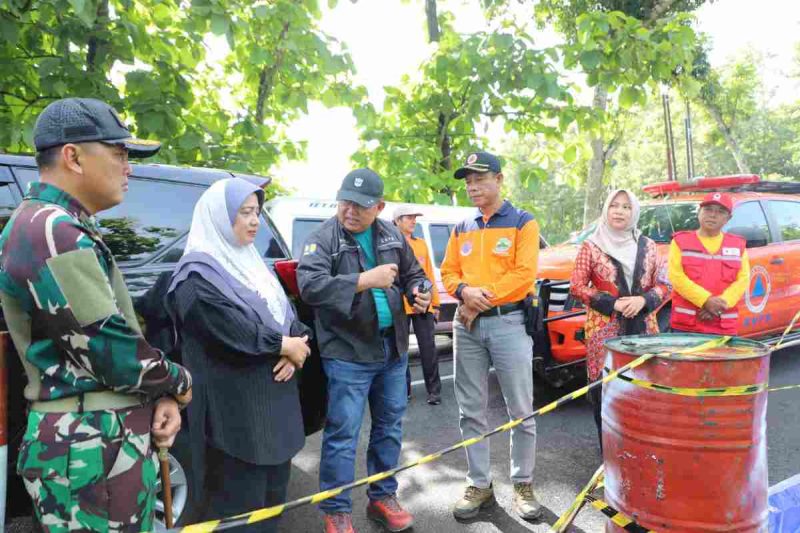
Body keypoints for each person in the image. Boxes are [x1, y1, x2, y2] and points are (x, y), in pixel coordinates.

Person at [0, 97, 192, 532]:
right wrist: (179, 383)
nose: (129, 168)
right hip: (88, 445)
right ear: (73, 157)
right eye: (119, 154)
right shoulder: (51, 230)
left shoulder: (57, 224)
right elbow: (111, 351)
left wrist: (159, 395)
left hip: (98, 440)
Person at [165, 177, 312, 532]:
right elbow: (229, 331)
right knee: (238, 511)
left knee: (272, 507)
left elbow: (290, 318)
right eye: (245, 212)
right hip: (236, 422)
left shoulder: (252, 264)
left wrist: (297, 346)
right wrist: (283, 345)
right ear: (219, 216)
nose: (254, 221)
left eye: (257, 212)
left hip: (275, 413)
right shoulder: (196, 275)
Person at [297, 169, 431, 533]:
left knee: (389, 428)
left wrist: (420, 291)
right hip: (348, 352)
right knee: (343, 435)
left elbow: (414, 274)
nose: (350, 211)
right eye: (345, 202)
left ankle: (382, 497)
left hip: (392, 349)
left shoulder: (391, 234)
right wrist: (362, 280)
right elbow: (309, 286)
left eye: (360, 205)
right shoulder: (323, 238)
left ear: (380, 207)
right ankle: (337, 511)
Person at [439, 151, 542, 521]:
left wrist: (478, 301)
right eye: (468, 181)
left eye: (480, 179)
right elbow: (448, 272)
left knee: (521, 411)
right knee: (470, 411)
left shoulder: (523, 222)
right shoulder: (461, 227)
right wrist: (464, 292)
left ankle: (523, 484)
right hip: (466, 327)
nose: (472, 187)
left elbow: (523, 275)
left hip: (508, 323)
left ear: (499, 180)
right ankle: (479, 484)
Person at [569, 189, 668, 447]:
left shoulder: (649, 246)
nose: (619, 211)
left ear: (634, 212)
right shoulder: (591, 246)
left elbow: (665, 285)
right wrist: (613, 303)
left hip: (644, 330)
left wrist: (643, 301)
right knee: (605, 392)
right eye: (614, 205)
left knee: (644, 389)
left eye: (626, 207)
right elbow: (576, 287)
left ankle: (643, 451)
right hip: (604, 331)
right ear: (606, 209)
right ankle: (610, 455)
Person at [668, 191, 749, 334]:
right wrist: (705, 300)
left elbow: (743, 280)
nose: (712, 215)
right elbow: (676, 277)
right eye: (708, 209)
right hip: (686, 326)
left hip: (723, 325)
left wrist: (718, 306)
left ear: (728, 218)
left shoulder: (738, 245)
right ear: (699, 212)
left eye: (720, 211)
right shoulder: (680, 242)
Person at [393, 205, 442, 405]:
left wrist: (435, 304)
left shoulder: (420, 244)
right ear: (397, 221)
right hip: (398, 306)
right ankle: (403, 391)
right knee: (401, 351)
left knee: (428, 348)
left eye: (415, 217)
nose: (414, 221)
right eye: (409, 217)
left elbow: (428, 276)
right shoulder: (390, 244)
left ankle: (434, 391)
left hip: (422, 304)